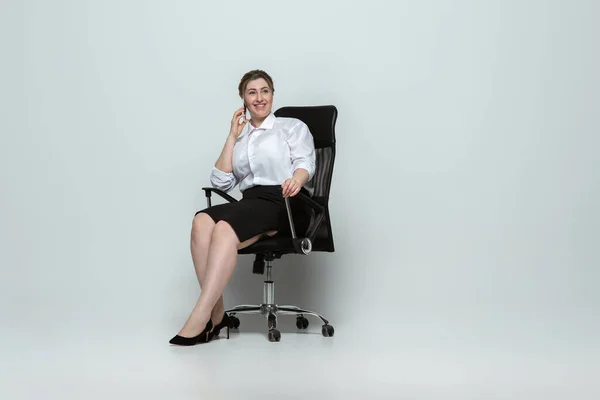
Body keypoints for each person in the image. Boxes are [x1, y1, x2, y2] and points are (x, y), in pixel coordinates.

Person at [169, 70, 316, 346]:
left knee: (224, 228)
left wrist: (296, 180)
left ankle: (200, 316)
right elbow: (221, 182)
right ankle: (217, 314)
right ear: (243, 100)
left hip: (285, 199)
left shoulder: (290, 127)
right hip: (252, 202)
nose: (259, 98)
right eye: (252, 93)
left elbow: (305, 162)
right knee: (201, 221)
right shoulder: (241, 136)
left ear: (272, 94)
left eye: (265, 91)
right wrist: (231, 136)